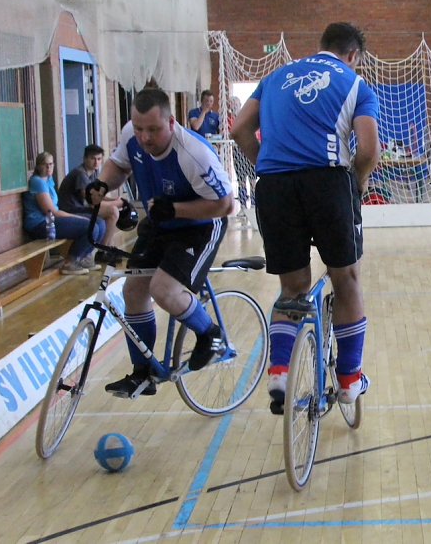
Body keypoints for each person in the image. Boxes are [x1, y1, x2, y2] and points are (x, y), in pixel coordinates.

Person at [231, 22, 380, 409]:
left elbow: (239, 129)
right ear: (353, 56)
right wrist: (357, 187)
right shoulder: (354, 83)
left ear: (320, 45)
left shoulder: (275, 76)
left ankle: (279, 372)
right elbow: (367, 151)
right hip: (327, 184)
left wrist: (267, 165)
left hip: (275, 188)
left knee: (292, 286)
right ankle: (349, 379)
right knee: (345, 279)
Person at [87, 87, 234, 397]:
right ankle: (143, 374)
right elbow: (119, 164)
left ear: (170, 123)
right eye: (139, 129)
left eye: (153, 130)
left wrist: (177, 209)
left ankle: (211, 334)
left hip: (201, 225)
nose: (144, 137)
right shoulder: (133, 134)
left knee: (162, 289)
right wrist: (102, 183)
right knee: (133, 288)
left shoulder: (194, 154)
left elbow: (225, 205)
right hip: (162, 221)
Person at [22, 152, 105, 275]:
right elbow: (52, 212)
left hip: (52, 220)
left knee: (100, 223)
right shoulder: (37, 182)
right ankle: (70, 262)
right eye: (45, 165)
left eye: (51, 164)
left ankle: (84, 258)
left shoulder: (49, 180)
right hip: (40, 224)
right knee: (91, 226)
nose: (49, 167)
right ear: (38, 166)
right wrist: (77, 217)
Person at [57, 144, 124, 245]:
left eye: (99, 159)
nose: (96, 162)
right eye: (93, 158)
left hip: (80, 208)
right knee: (113, 211)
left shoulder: (93, 173)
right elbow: (90, 199)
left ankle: (106, 248)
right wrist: (116, 203)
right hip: (70, 210)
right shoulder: (80, 173)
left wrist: (113, 200)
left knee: (113, 211)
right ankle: (103, 249)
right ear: (85, 159)